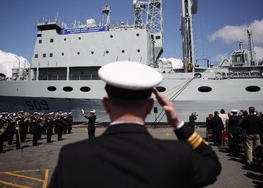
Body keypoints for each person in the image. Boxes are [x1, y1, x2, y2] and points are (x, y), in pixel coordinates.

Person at [49, 61, 221, 188]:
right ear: (150, 106)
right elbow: (212, 166)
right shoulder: (178, 154)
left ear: (106, 104)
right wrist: (177, 123)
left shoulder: (72, 156)